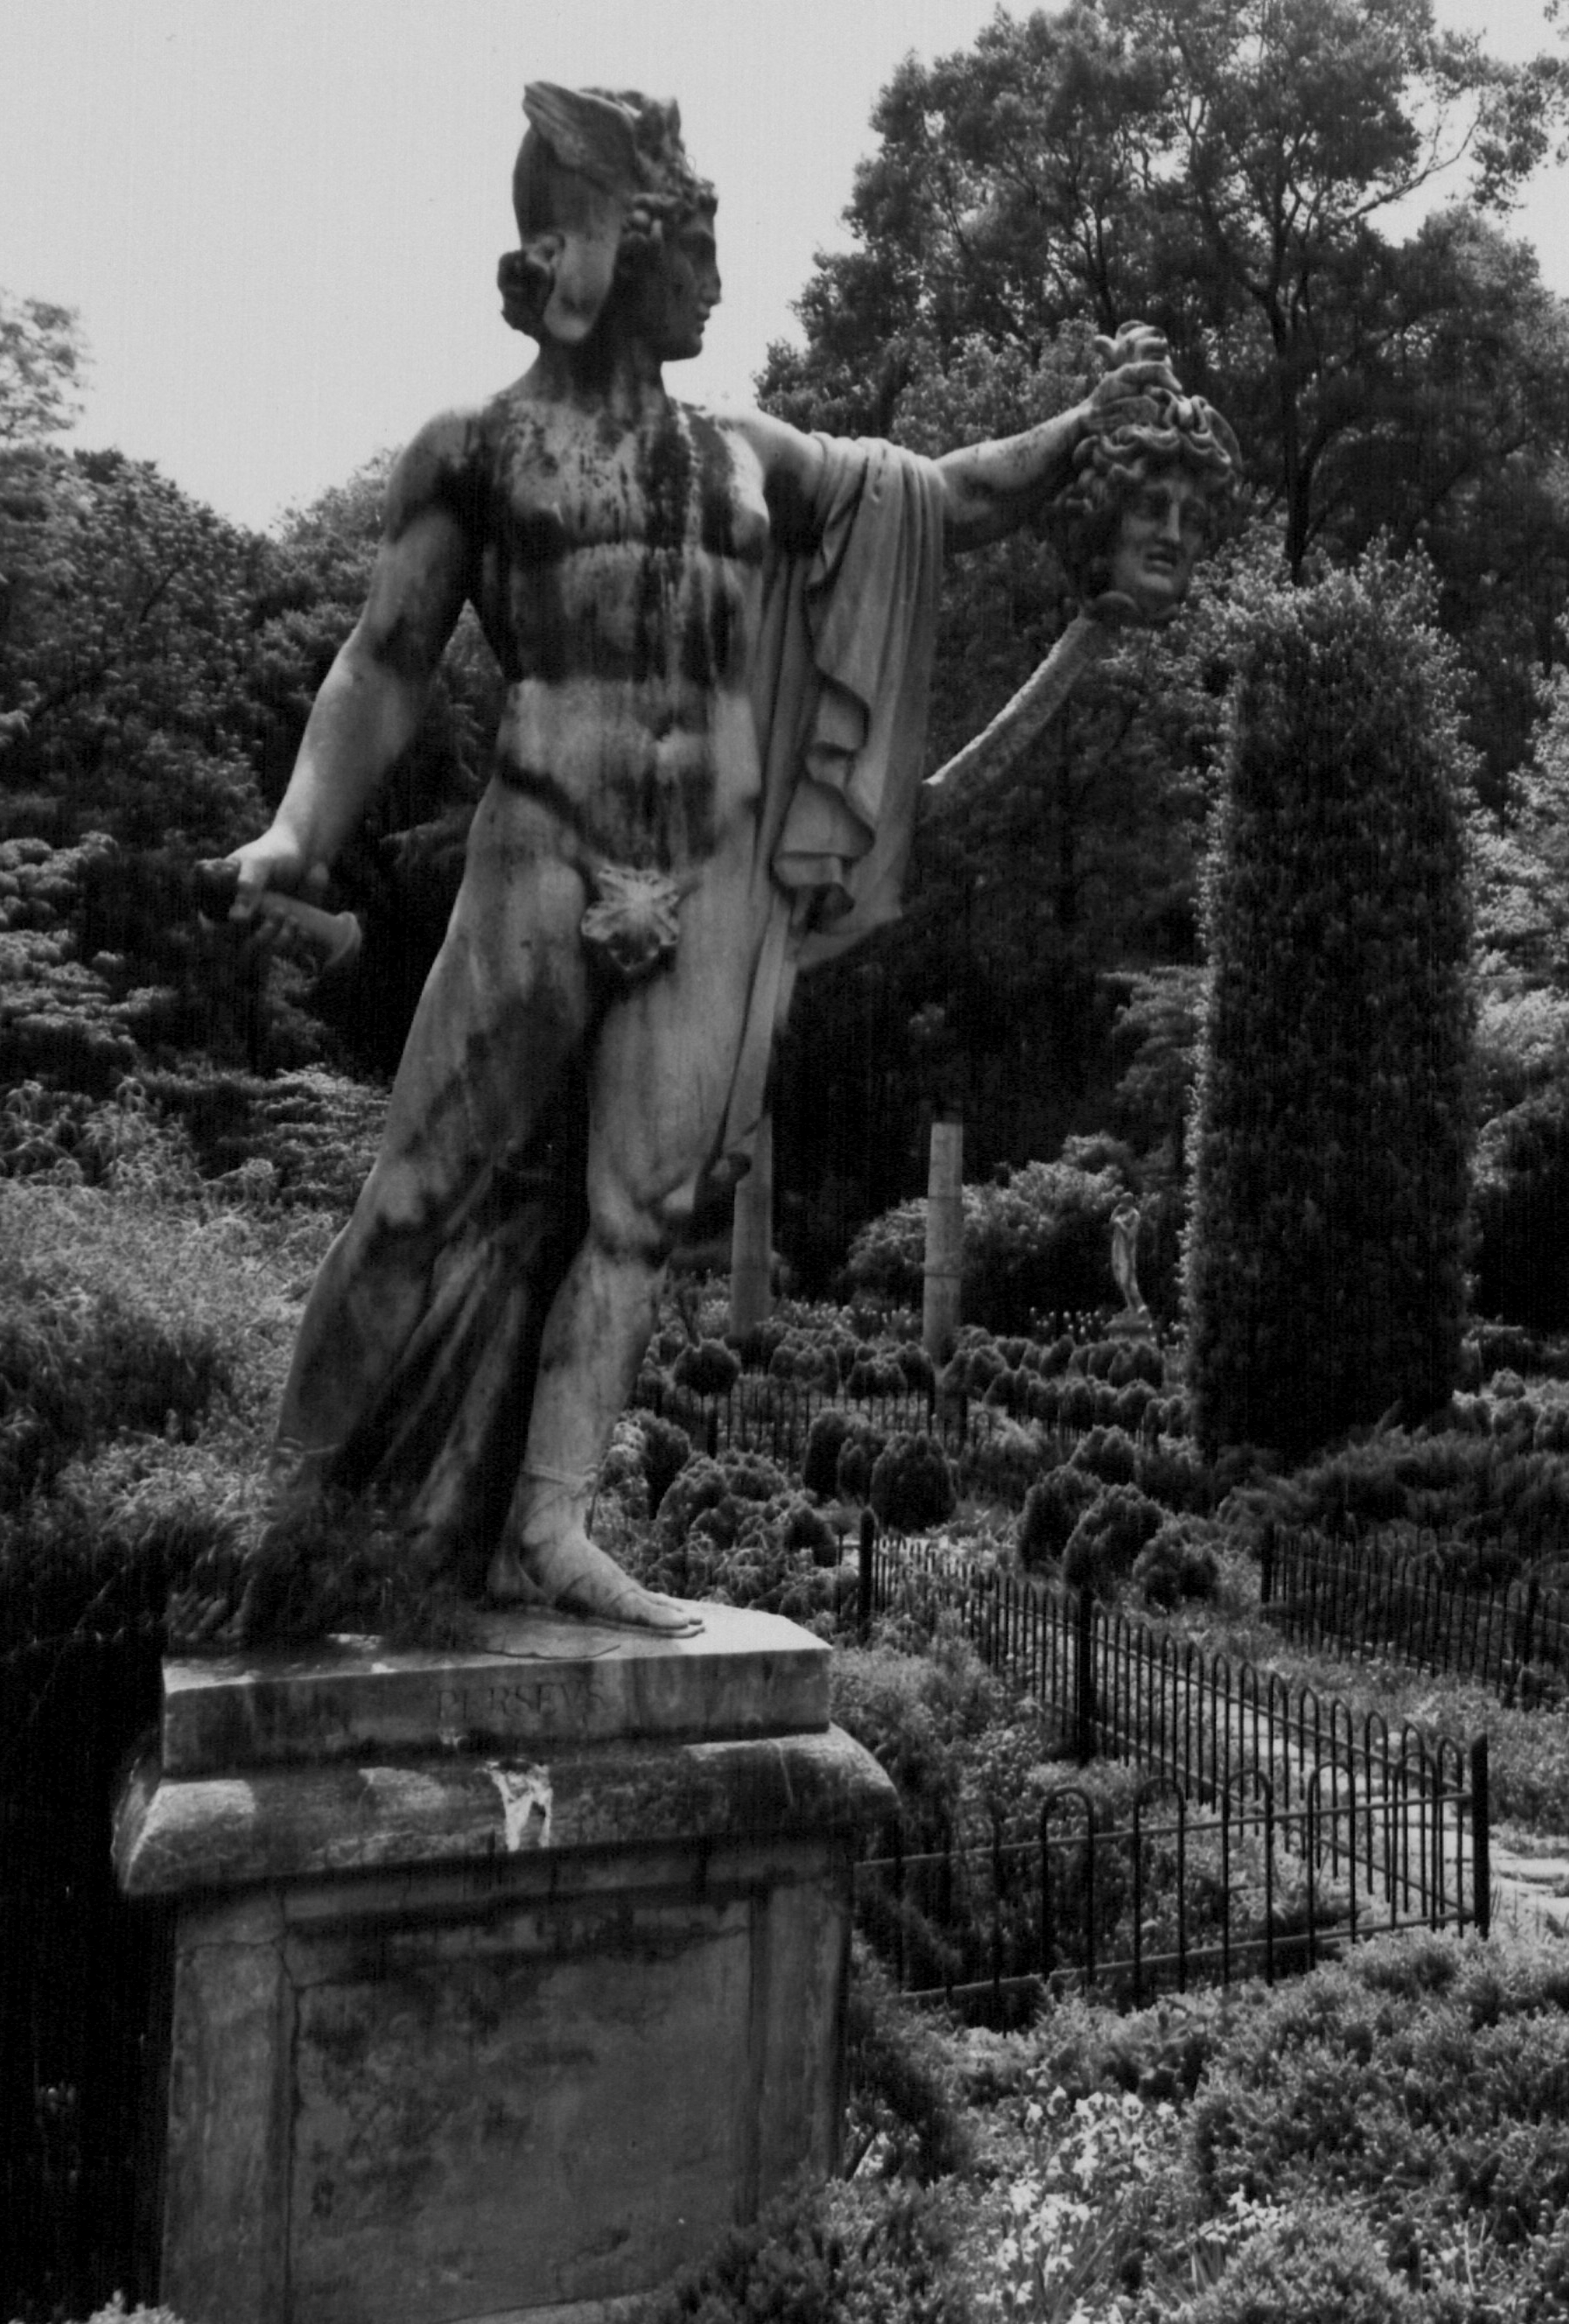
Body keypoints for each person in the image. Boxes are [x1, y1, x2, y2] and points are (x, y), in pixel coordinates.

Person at [212, 85, 1233, 1637]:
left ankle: (545, 1531)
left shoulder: (748, 454)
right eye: (690, 246)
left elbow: (942, 497)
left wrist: (1091, 432)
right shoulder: (479, 449)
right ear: (600, 253)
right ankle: (282, 1515)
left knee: (637, 1218)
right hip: (541, 851)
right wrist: (300, 830)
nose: (715, 280)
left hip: (707, 878)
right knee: (414, 1188)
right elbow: (383, 657)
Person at [1110, 1199, 1146, 1318]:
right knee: (1121, 1281)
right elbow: (1112, 1221)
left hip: (1127, 1254)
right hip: (1118, 1253)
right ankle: (1131, 1307)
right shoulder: (1123, 1215)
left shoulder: (1134, 1215)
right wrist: (1116, 1211)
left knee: (1129, 1281)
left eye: (1123, 1202)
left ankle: (1141, 1308)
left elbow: (1130, 1235)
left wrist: (1120, 1223)